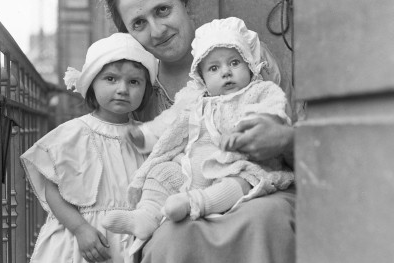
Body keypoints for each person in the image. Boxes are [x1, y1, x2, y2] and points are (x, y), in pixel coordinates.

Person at [101, 0, 297, 263]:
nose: (156, 29)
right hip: (175, 201)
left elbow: (285, 121)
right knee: (172, 239)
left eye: (163, 10)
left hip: (254, 180)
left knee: (263, 222)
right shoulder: (131, 86)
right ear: (126, 32)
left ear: (184, 1)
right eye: (139, 23)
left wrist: (282, 139)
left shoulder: (239, 57)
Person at [102, 17, 294, 240]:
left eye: (234, 63)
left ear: (250, 65)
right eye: (214, 68)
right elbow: (169, 124)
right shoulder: (194, 100)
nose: (226, 72)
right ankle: (146, 216)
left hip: (236, 165)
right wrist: (144, 135)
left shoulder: (259, 91)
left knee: (240, 182)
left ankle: (197, 203)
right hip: (190, 170)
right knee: (161, 172)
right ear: (202, 77)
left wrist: (244, 130)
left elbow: (272, 113)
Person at [20, 33, 157, 263]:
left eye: (134, 82)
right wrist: (79, 227)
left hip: (127, 244)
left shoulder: (145, 138)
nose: (122, 88)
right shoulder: (74, 133)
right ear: (92, 82)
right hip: (83, 243)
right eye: (111, 78)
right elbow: (53, 187)